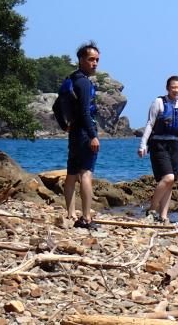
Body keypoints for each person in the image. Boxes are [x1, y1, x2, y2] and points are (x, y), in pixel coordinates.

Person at [138, 76, 178, 223]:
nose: (176, 90)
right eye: (174, 87)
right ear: (167, 88)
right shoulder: (159, 102)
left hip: (174, 145)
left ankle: (163, 216)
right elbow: (150, 124)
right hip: (158, 144)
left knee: (171, 183)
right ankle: (152, 209)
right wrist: (142, 145)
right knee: (168, 178)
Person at [63, 42, 101, 230]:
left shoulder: (71, 79)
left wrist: (65, 125)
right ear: (81, 60)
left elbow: (56, 106)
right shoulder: (84, 83)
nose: (94, 63)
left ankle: (70, 214)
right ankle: (86, 217)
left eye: (97, 60)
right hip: (85, 134)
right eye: (91, 59)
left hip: (75, 134)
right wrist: (93, 136)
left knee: (71, 175)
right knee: (86, 173)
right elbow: (86, 112)